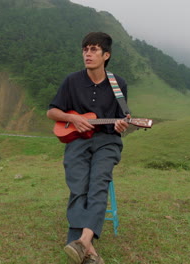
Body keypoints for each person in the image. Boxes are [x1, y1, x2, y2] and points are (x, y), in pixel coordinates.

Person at [47, 32, 130, 264]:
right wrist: (72, 119)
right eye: (85, 49)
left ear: (106, 55)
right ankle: (88, 247)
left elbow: (122, 119)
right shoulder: (72, 81)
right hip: (77, 141)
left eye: (94, 50)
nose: (88, 54)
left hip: (107, 141)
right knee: (78, 184)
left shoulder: (118, 84)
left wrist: (123, 124)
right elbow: (51, 112)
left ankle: (81, 241)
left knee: (98, 182)